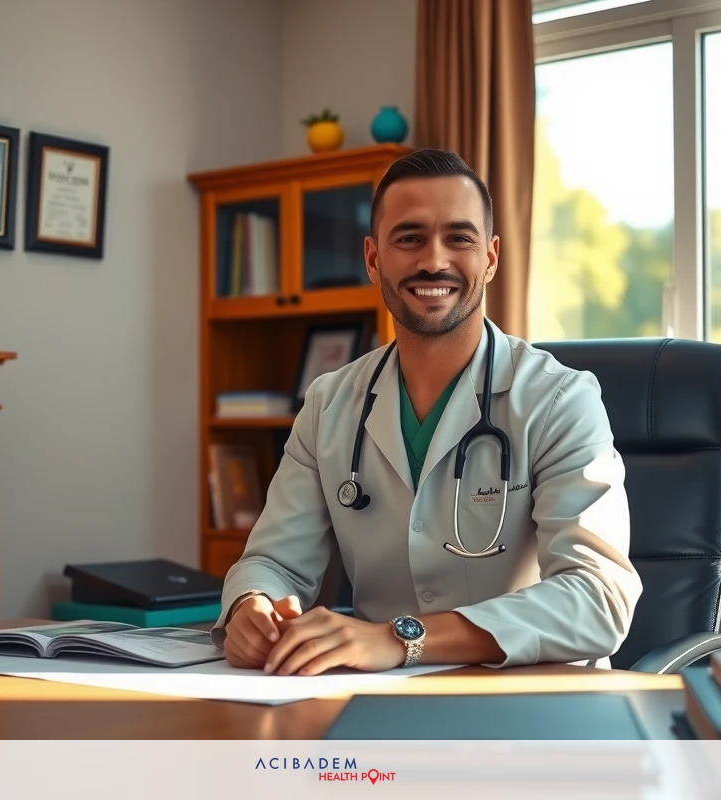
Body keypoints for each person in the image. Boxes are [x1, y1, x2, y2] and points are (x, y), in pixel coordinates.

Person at [211, 148, 642, 677]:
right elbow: (273, 561)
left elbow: (599, 598)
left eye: (459, 238)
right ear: (373, 259)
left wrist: (401, 638)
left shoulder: (560, 400)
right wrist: (252, 605)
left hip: (531, 701)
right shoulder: (328, 405)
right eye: (409, 238)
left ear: (490, 256)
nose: (433, 261)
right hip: (380, 700)